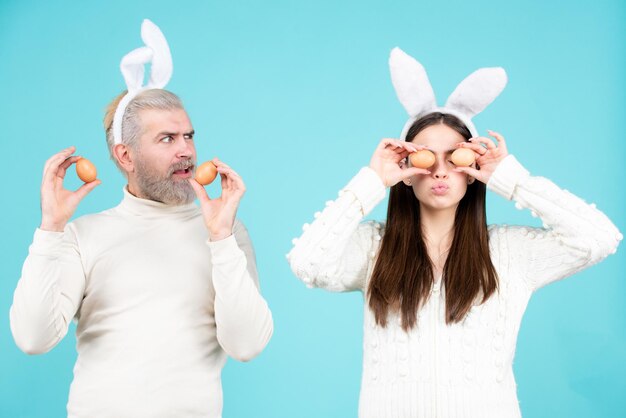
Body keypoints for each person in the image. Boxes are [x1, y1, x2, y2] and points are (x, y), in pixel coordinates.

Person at [287, 48, 621, 418]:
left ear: (473, 167)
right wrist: (371, 182)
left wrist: (511, 179)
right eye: (426, 157)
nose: (441, 171)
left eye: (455, 158)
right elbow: (307, 263)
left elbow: (599, 238)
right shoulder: (373, 249)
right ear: (406, 168)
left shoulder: (509, 253)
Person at [10, 20, 273, 418]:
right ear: (125, 156)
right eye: (167, 139)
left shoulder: (226, 232)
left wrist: (220, 239)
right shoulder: (83, 235)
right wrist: (50, 231)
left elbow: (247, 345)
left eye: (188, 135)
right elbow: (33, 338)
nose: (186, 150)